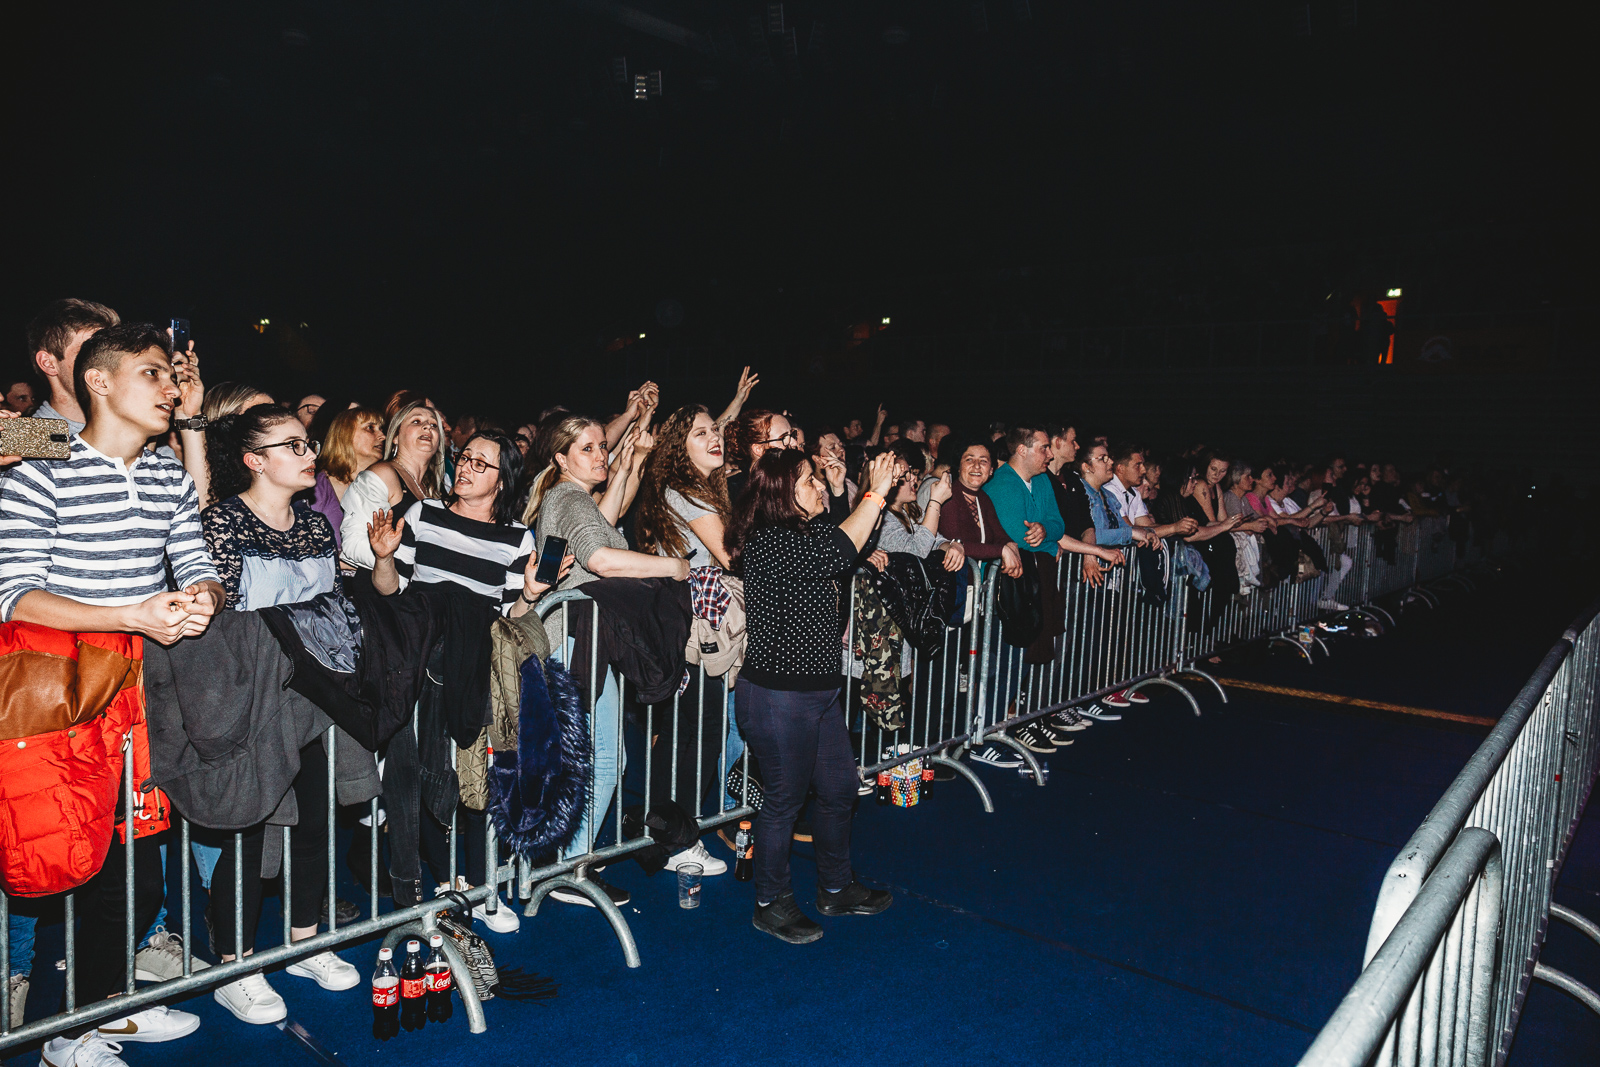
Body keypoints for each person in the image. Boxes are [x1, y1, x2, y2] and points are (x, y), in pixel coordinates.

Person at [0, 323, 222, 1065]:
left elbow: (196, 558)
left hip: (141, 688)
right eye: (153, 372)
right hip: (60, 692)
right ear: (94, 378)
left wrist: (202, 598)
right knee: (71, 859)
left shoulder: (167, 476)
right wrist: (129, 614)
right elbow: (13, 594)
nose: (170, 388)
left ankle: (108, 1005)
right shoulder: (40, 460)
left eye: (171, 375)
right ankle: (63, 1030)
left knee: (138, 861)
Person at [200, 404, 362, 1023]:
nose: (309, 453)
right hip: (249, 701)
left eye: (308, 443)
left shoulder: (317, 526)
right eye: (292, 445)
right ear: (254, 461)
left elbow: (334, 609)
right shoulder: (221, 521)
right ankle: (234, 967)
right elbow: (224, 623)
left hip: (311, 699)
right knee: (247, 830)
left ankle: (304, 943)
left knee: (315, 822)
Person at [368, 428, 565, 927]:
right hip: (417, 663)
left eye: (482, 463)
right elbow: (391, 593)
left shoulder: (517, 538)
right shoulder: (423, 514)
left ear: (503, 480)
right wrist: (384, 557)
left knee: (474, 777)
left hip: (474, 669)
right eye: (465, 458)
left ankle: (479, 888)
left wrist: (532, 593)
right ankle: (438, 883)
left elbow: (510, 616)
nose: (467, 468)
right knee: (416, 773)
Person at [724, 447, 899, 943]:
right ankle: (770, 902)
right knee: (784, 800)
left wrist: (855, 495)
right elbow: (839, 552)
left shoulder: (810, 531)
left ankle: (836, 888)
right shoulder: (767, 540)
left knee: (839, 789)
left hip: (818, 694)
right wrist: (874, 493)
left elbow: (849, 543)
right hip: (778, 697)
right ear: (782, 493)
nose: (819, 486)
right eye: (808, 481)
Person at [522, 415, 689, 907]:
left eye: (602, 447)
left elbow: (607, 519)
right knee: (601, 760)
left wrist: (633, 461)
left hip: (579, 643)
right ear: (561, 458)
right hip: (575, 646)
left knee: (593, 758)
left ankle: (567, 862)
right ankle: (568, 868)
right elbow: (602, 559)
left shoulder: (569, 499)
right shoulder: (569, 499)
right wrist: (675, 566)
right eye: (588, 448)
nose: (601, 455)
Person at [338, 400, 446, 593]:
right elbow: (353, 544)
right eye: (416, 421)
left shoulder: (437, 491)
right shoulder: (383, 474)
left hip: (421, 598)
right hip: (381, 598)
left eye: (434, 425)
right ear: (395, 436)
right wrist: (408, 568)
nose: (427, 427)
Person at [937, 440, 1024, 579]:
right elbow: (955, 542)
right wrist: (1002, 550)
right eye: (969, 459)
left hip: (976, 585)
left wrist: (1011, 545)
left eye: (983, 461)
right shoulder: (948, 495)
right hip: (951, 583)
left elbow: (999, 535)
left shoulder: (983, 498)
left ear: (991, 470)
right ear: (959, 466)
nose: (976, 466)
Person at [309, 406, 385, 556]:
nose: (383, 436)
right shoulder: (316, 489)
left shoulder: (378, 487)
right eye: (370, 428)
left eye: (381, 429)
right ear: (344, 434)